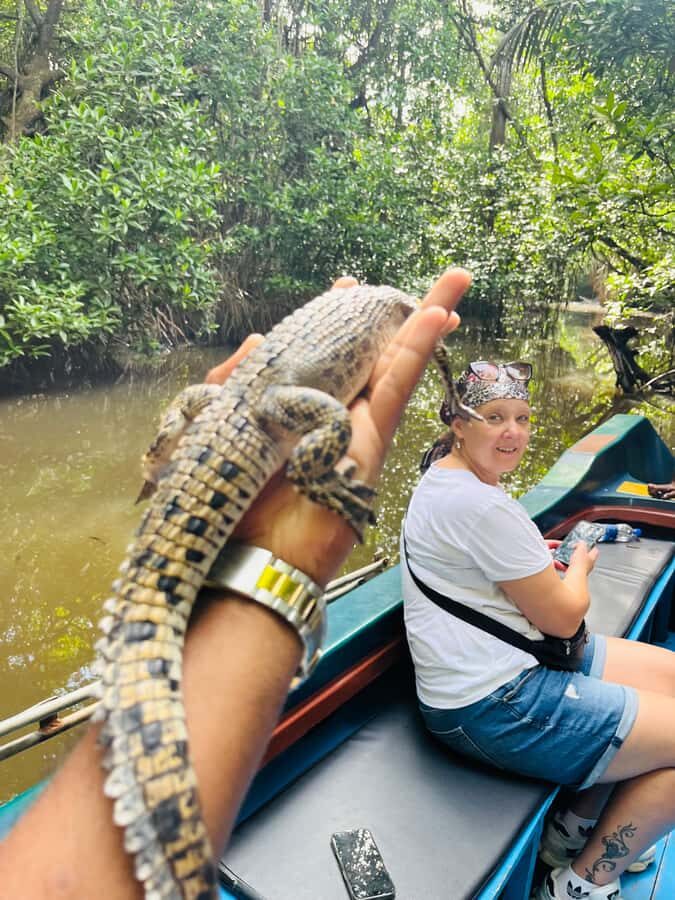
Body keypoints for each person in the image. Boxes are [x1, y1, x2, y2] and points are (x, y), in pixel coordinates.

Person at [0, 268, 470, 899]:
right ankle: (314, 478)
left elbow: (198, 398)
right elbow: (413, 352)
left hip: (227, 403)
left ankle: (158, 459)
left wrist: (166, 456)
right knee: (334, 424)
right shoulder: (390, 315)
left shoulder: (358, 312)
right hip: (273, 409)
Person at [401, 360, 675, 900]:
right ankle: (581, 884)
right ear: (460, 424)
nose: (514, 433)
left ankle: (569, 831)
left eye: (523, 418)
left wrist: (530, 559)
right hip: (493, 702)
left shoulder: (447, 478)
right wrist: (580, 568)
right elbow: (566, 617)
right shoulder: (479, 505)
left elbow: (481, 569)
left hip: (512, 664)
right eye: (495, 417)